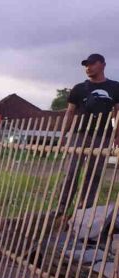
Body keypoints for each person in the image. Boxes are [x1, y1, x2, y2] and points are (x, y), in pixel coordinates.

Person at [59, 54, 119, 213]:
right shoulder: (79, 88)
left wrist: (117, 136)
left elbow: (117, 113)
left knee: (94, 174)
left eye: (92, 64)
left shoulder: (115, 87)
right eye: (86, 65)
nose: (88, 67)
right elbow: (70, 113)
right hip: (79, 135)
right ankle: (62, 208)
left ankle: (84, 208)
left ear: (103, 65)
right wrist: (64, 135)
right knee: (71, 172)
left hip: (103, 136)